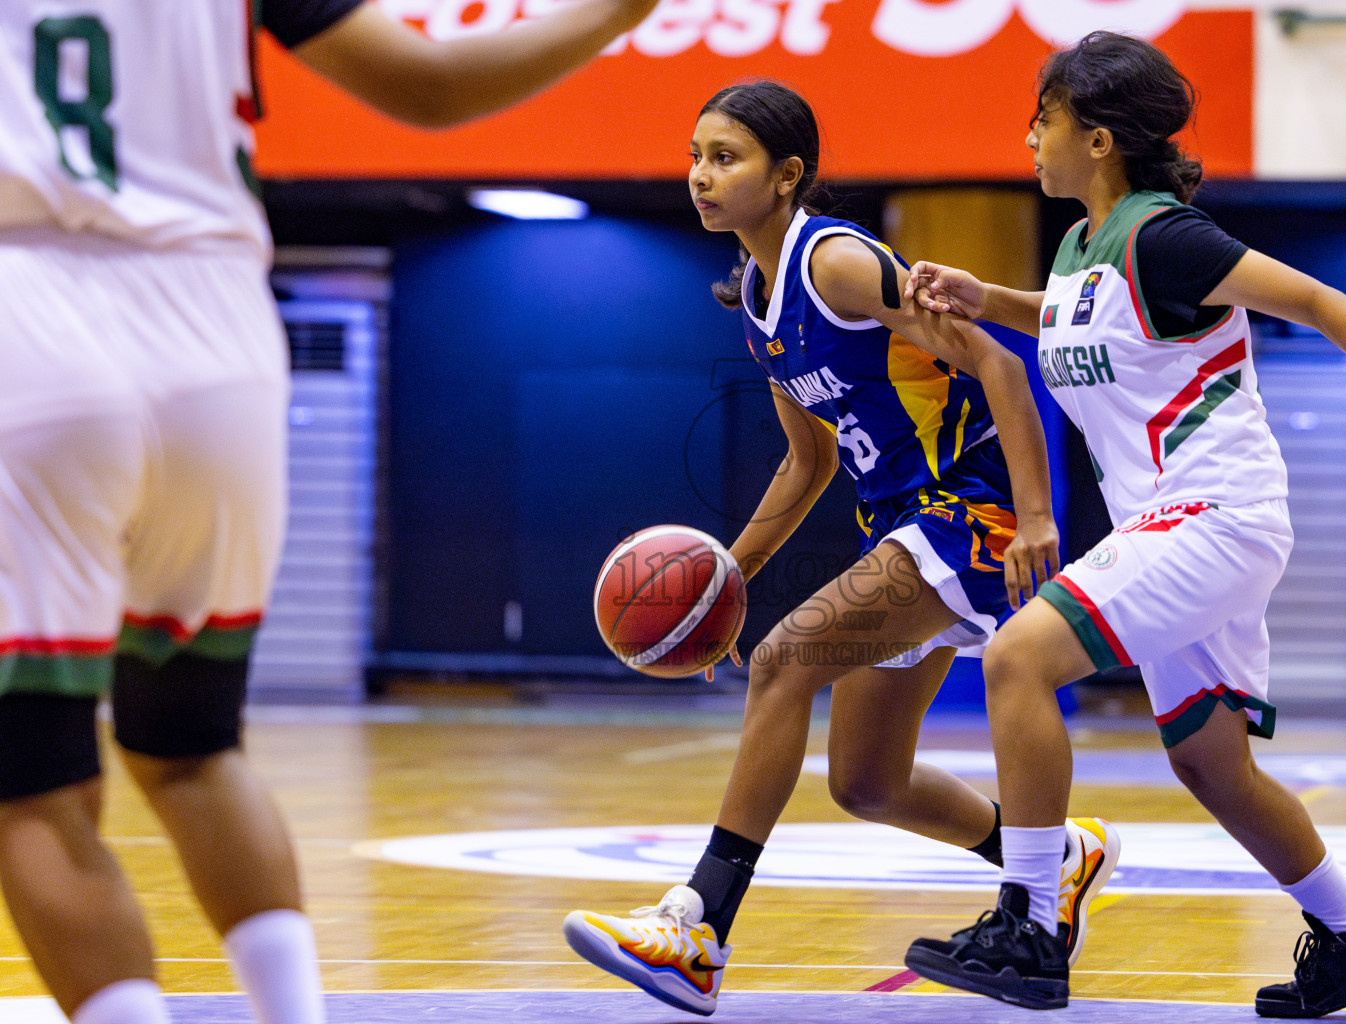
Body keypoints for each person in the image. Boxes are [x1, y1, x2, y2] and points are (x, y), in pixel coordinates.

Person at [0, 2, 664, 1022]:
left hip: (32, 304)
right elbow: (432, 86)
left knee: (32, 780)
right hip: (218, 330)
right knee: (193, 746)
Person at [898, 31, 1346, 1017]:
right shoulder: (1081, 247)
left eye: (1044, 118)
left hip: (1214, 515)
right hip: (1176, 525)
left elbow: (1321, 300)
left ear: (1100, 138)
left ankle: (1031, 922)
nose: (1029, 135)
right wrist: (987, 299)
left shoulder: (1168, 239)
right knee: (1211, 761)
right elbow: (1077, 319)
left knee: (1017, 659)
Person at [562, 80, 1120, 1017]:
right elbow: (808, 460)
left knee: (783, 662)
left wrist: (1036, 517)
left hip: (968, 508)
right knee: (867, 782)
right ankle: (1053, 856)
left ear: (788, 175)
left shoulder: (837, 264)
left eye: (725, 157)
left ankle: (698, 928)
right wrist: (728, 577)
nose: (700, 175)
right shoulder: (758, 303)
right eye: (696, 156)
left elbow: (997, 362)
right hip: (900, 522)